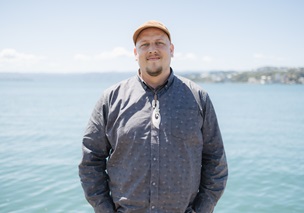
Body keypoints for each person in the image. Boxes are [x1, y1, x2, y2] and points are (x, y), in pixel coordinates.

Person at [79, 20, 228, 213]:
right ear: (135, 53)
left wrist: (202, 209)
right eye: (144, 45)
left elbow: (215, 160)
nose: (152, 49)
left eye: (159, 43)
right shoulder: (111, 99)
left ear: (171, 49)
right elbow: (90, 161)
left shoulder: (198, 98)